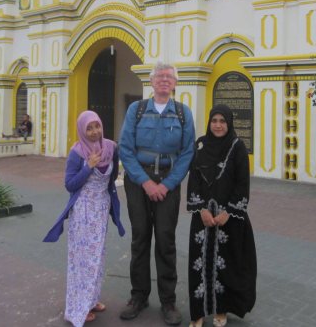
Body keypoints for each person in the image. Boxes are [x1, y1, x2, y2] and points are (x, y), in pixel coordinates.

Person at [119, 62, 195, 325]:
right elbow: (125, 149)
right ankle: (138, 296)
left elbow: (187, 153)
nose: (164, 80)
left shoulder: (183, 114)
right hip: (139, 182)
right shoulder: (137, 110)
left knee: (166, 241)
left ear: (175, 84)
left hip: (168, 183)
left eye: (169, 77)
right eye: (159, 76)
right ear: (151, 82)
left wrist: (167, 184)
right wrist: (146, 182)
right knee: (140, 238)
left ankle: (168, 301)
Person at [43, 110, 125, 326]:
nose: (94, 131)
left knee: (97, 257)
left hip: (101, 209)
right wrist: (88, 167)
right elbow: (70, 185)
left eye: (96, 126)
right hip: (83, 212)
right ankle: (78, 306)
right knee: (82, 260)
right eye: (89, 128)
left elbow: (113, 175)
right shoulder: (77, 153)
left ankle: (91, 299)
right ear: (81, 130)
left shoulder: (111, 147)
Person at [186, 105, 257, 327]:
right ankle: (197, 312)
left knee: (226, 266)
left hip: (229, 219)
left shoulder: (237, 147)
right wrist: (203, 209)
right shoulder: (200, 145)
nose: (217, 125)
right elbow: (194, 179)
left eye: (222, 121)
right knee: (198, 264)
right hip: (203, 217)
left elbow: (242, 183)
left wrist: (229, 212)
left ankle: (222, 309)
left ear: (229, 123)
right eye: (214, 120)